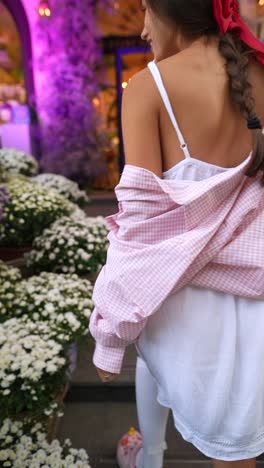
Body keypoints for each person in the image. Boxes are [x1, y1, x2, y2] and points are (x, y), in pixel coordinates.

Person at [89, 1, 264, 467]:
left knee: (166, 377)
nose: (143, 29)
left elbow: (140, 227)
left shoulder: (149, 88)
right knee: (238, 449)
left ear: (167, 11)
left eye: (145, 11)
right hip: (254, 298)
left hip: (184, 303)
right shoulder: (259, 74)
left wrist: (109, 336)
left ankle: (151, 454)